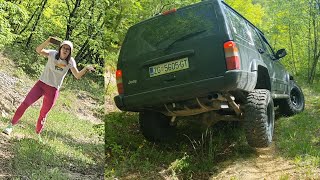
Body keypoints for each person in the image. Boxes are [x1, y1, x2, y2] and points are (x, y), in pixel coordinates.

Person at [2, 37, 95, 140]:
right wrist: (48, 41)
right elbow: (38, 50)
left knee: (43, 113)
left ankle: (38, 134)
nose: (65, 50)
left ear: (70, 52)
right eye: (63, 48)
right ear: (60, 48)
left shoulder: (70, 62)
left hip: (53, 90)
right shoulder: (52, 54)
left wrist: (86, 68)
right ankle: (10, 126)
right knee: (25, 103)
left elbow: (77, 75)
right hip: (41, 84)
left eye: (68, 49)